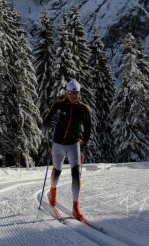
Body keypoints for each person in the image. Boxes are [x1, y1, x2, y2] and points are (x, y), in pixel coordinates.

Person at [43, 78, 92, 219]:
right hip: (58, 145)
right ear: (66, 92)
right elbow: (46, 123)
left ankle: (75, 207)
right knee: (56, 172)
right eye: (71, 92)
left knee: (76, 174)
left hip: (73, 145)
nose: (74, 95)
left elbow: (88, 126)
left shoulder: (83, 109)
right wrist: (52, 122)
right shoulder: (58, 106)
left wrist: (85, 142)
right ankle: (53, 191)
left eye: (76, 93)